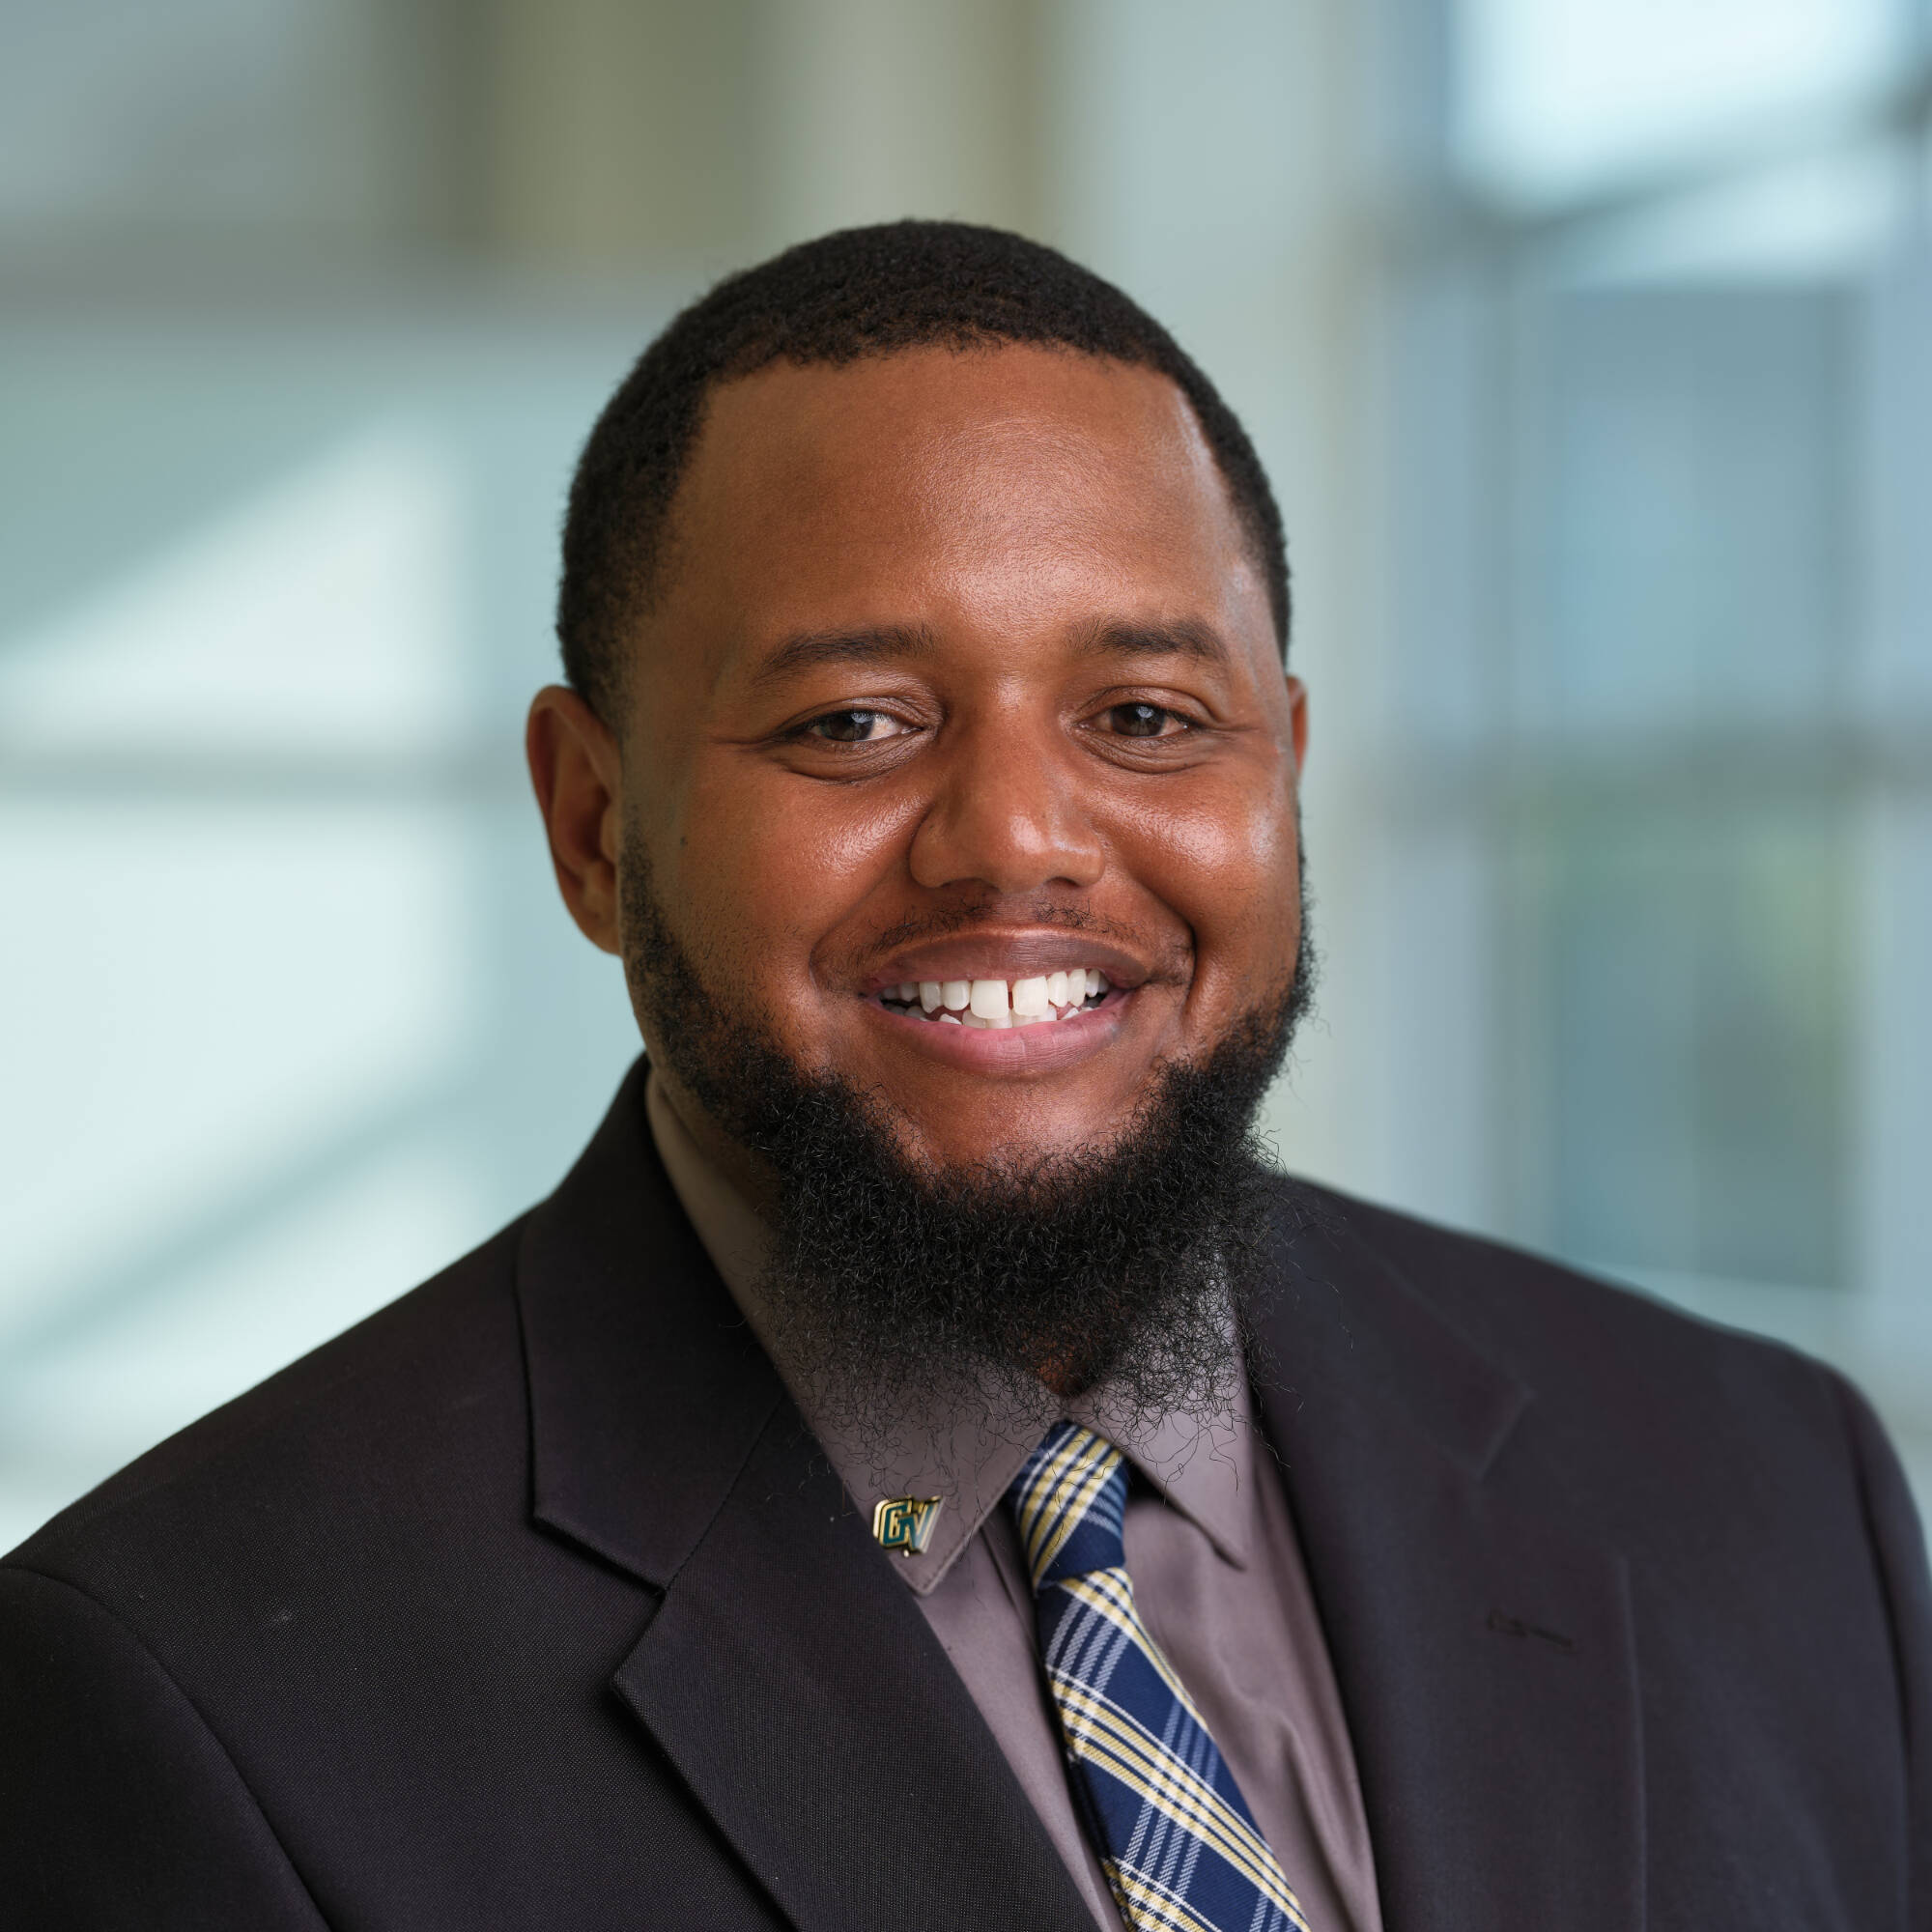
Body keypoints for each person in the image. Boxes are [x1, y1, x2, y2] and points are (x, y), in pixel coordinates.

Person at [2, 221, 1925, 1932]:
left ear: (1283, 765)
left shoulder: (1767, 1493)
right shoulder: (188, 1694)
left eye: (1146, 716)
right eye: (854, 723)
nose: (1017, 840)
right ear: (591, 825)